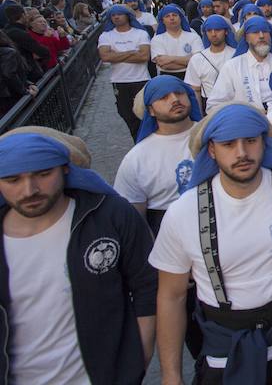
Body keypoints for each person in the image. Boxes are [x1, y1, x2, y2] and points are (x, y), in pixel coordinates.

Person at [150, 104, 272, 384]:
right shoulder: (183, 213)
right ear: (211, 150)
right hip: (226, 351)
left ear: (264, 142)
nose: (242, 153)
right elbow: (171, 296)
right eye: (228, 144)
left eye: (250, 141)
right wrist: (171, 375)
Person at [0, 128, 158, 384]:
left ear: (65, 168)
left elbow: (147, 287)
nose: (29, 190)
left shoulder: (110, 215)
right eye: (12, 180)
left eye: (42, 174)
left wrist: (135, 364)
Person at [116, 75, 202, 232]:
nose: (175, 99)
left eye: (179, 93)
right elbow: (134, 219)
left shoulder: (214, 138)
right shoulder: (136, 158)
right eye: (163, 97)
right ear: (151, 110)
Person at [206, 16, 272, 112]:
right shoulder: (232, 67)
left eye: (265, 32)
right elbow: (213, 106)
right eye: (255, 32)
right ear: (246, 38)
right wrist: (246, 115)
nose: (261, 36)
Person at [98, 5, 151, 141]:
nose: (116, 17)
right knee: (127, 115)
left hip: (141, 79)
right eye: (113, 15)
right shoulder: (106, 35)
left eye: (119, 14)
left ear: (127, 16)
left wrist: (116, 55)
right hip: (119, 81)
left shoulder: (140, 33)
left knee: (145, 115)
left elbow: (144, 57)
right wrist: (131, 52)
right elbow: (105, 57)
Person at [184, 15, 237, 111]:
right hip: (208, 104)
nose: (213, 34)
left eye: (217, 30)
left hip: (234, 103)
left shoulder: (236, 55)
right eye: (209, 31)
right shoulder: (197, 59)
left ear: (225, 31)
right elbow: (195, 90)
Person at [151, 4, 202, 80]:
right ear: (163, 21)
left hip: (191, 77)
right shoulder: (157, 39)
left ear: (180, 18)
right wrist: (188, 60)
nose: (171, 18)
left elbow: (198, 61)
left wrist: (170, 59)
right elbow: (163, 64)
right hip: (166, 78)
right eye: (167, 16)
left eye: (174, 15)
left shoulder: (193, 36)